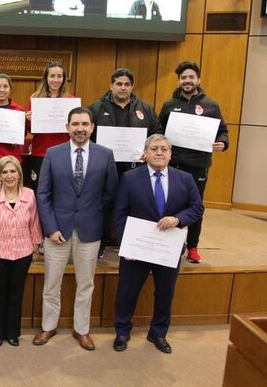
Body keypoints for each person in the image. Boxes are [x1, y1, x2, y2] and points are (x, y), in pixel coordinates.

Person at [33, 107, 118, 351]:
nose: (80, 128)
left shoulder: (105, 155)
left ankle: (82, 330)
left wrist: (93, 214)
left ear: (92, 127)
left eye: (84, 124)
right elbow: (43, 194)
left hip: (89, 231)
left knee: (86, 284)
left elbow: (110, 193)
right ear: (67, 127)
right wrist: (50, 228)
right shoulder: (52, 153)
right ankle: (48, 326)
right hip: (57, 232)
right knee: (51, 283)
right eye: (75, 124)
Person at [112, 134, 203, 354]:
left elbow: (197, 208)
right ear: (145, 153)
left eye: (164, 149)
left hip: (168, 249)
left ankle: (158, 333)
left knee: (165, 293)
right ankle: (122, 331)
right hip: (137, 249)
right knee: (127, 291)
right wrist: (127, 245)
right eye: (154, 148)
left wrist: (178, 219)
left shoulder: (185, 179)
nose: (159, 152)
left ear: (171, 154)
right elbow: (119, 214)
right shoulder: (130, 178)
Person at [158, 61, 228, 264]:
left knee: (196, 206)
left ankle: (193, 246)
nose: (187, 81)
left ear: (198, 79)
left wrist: (223, 143)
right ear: (179, 81)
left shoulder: (211, 105)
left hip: (198, 166)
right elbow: (158, 128)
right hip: (172, 164)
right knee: (170, 204)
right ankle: (172, 244)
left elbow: (223, 131)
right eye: (183, 78)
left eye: (191, 77)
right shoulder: (170, 104)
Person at [88, 68, 162, 257]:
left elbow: (157, 133)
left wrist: (149, 151)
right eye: (119, 84)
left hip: (135, 168)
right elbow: (86, 135)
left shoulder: (144, 109)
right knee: (104, 205)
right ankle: (101, 242)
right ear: (111, 85)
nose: (123, 88)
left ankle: (131, 244)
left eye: (127, 84)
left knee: (134, 205)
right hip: (104, 168)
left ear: (132, 87)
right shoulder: (96, 108)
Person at [0, 156, 43, 347]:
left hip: (22, 252)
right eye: (4, 172)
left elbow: (34, 222)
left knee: (16, 293)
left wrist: (36, 246)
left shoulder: (29, 194)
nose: (9, 175)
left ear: (19, 174)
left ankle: (12, 333)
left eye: (13, 171)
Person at [25, 60, 73, 192]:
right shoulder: (35, 98)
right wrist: (29, 120)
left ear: (63, 79)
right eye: (52, 76)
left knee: (61, 190)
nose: (56, 80)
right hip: (40, 152)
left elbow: (74, 130)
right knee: (39, 190)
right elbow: (31, 130)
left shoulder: (70, 100)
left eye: (59, 76)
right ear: (46, 78)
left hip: (63, 153)